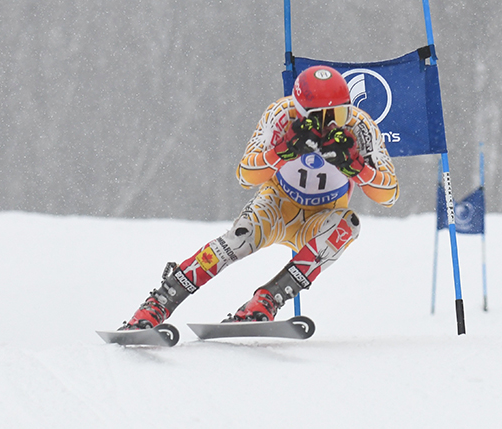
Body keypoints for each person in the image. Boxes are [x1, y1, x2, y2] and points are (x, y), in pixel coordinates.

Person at [120, 65, 399, 330]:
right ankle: (160, 301)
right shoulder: (280, 114)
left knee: (348, 225)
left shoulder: (360, 127)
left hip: (323, 216)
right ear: (300, 110)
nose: (328, 125)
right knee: (240, 237)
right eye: (318, 116)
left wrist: (358, 169)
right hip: (279, 203)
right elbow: (245, 175)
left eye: (337, 114)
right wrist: (281, 152)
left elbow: (389, 195)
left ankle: (266, 300)